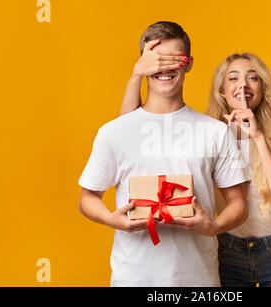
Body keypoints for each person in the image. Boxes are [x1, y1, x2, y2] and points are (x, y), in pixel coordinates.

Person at [78, 21, 250, 287]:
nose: (165, 68)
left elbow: (238, 204)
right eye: (157, 60)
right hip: (132, 278)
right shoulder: (113, 132)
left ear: (188, 63)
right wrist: (112, 220)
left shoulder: (215, 132)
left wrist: (212, 227)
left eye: (174, 59)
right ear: (144, 64)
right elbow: (87, 198)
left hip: (198, 280)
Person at [121, 49, 271, 287]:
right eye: (233, 78)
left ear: (262, 88)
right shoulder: (209, 134)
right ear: (222, 91)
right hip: (227, 250)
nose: (243, 85)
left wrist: (258, 137)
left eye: (253, 77)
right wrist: (137, 75)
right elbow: (127, 129)